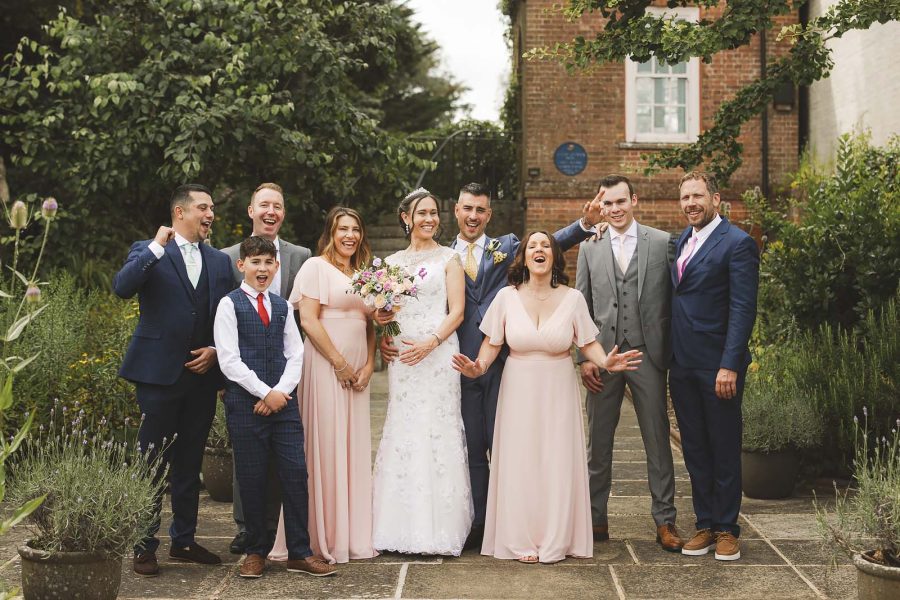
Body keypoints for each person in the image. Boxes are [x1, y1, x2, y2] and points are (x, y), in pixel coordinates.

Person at [381, 182, 605, 549]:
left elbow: (548, 244)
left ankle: (514, 521)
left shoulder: (508, 247)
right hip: (452, 363)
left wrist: (582, 225)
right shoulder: (440, 256)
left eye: (481, 210)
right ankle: (478, 523)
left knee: (508, 445)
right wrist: (385, 336)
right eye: (467, 208)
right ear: (455, 211)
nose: (473, 216)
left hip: (501, 362)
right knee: (467, 446)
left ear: (489, 214)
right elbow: (394, 308)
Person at [452, 231, 642, 564]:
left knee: (556, 458)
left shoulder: (572, 299)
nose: (539, 250)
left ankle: (556, 537)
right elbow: (492, 344)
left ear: (554, 257)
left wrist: (604, 362)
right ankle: (519, 536)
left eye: (546, 246)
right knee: (520, 460)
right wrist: (478, 367)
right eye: (532, 246)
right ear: (523, 257)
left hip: (558, 387)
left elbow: (587, 343)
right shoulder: (506, 297)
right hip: (518, 387)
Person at [113, 183, 233, 577]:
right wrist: (154, 247)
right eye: (203, 207)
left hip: (201, 376)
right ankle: (143, 545)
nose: (210, 213)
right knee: (150, 461)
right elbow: (122, 288)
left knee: (188, 462)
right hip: (157, 375)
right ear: (180, 213)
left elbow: (227, 317)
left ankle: (184, 540)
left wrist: (216, 350)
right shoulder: (148, 251)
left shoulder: (218, 261)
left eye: (212, 207)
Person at [213, 236, 336, 578]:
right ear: (242, 266)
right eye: (255, 263)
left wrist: (280, 392)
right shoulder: (229, 305)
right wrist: (264, 392)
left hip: (284, 406)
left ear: (276, 266)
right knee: (252, 478)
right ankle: (256, 551)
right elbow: (228, 359)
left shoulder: (282, 306)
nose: (262, 269)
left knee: (295, 474)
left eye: (268, 263)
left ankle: (299, 551)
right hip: (245, 405)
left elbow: (296, 354)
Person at [575, 175, 683, 552]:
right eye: (608, 204)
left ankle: (665, 520)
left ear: (633, 200)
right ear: (600, 207)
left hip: (645, 353)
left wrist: (669, 350)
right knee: (597, 442)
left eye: (621, 201)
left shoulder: (661, 242)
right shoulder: (590, 247)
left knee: (657, 439)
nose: (615, 209)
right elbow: (582, 305)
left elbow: (673, 299)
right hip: (602, 357)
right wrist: (584, 359)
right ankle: (595, 518)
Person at [269, 207, 378, 564]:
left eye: (355, 229)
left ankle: (350, 535)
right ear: (330, 233)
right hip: (325, 367)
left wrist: (367, 365)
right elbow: (310, 322)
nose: (350, 235)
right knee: (325, 447)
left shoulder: (367, 274)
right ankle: (317, 536)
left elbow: (372, 323)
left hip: (357, 374)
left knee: (352, 448)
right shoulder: (316, 267)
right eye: (342, 228)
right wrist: (340, 363)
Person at [371, 188, 472, 555]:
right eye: (421, 213)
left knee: (437, 427)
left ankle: (441, 528)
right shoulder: (391, 262)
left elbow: (456, 311)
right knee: (404, 426)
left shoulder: (450, 258)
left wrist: (431, 342)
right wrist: (384, 326)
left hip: (439, 353)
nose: (429, 219)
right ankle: (399, 524)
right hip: (403, 359)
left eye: (434, 212)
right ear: (406, 218)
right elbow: (387, 312)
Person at [669, 172, 759, 561]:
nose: (691, 203)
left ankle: (727, 529)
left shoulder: (737, 243)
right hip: (682, 364)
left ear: (715, 199)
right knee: (694, 448)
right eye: (685, 197)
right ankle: (704, 523)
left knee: (723, 446)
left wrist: (730, 365)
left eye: (698, 196)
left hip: (717, 367)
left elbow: (742, 309)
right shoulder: (680, 243)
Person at [221, 182, 311, 554]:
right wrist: (257, 389)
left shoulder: (301, 255)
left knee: (290, 465)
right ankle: (250, 531)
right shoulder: (226, 257)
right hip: (246, 379)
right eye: (263, 205)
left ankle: (295, 543)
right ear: (251, 210)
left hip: (286, 377)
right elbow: (223, 328)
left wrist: (283, 389)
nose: (270, 211)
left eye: (277, 205)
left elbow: (304, 320)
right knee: (250, 464)